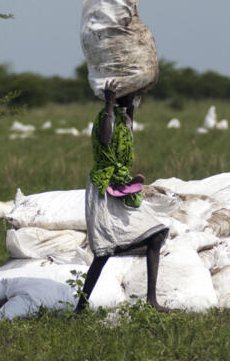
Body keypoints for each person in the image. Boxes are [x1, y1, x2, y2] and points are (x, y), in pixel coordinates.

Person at [75, 80, 168, 313]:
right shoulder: (104, 117)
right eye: (130, 95)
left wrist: (131, 105)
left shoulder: (124, 119)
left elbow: (128, 134)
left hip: (122, 184)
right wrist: (108, 103)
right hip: (103, 187)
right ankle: (80, 308)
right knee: (104, 252)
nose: (133, 99)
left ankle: (151, 300)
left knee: (155, 236)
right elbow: (105, 140)